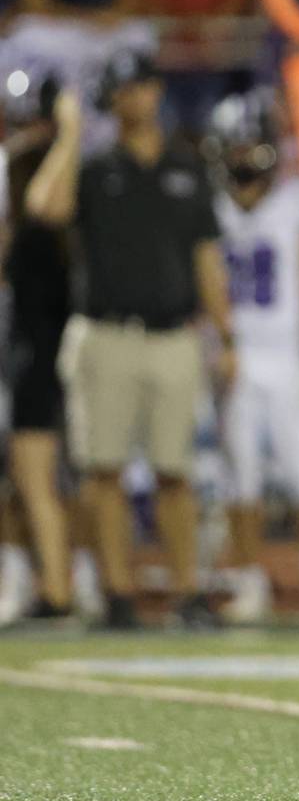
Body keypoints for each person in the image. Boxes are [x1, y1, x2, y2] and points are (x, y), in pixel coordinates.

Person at [25, 49, 233, 629]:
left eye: (140, 87)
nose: (133, 98)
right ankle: (117, 593)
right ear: (110, 101)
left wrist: (227, 335)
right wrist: (69, 133)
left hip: (173, 335)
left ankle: (187, 591)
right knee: (103, 471)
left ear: (157, 91)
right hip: (105, 332)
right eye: (122, 90)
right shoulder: (91, 166)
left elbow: (206, 259)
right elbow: (46, 207)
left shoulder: (187, 168)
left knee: (176, 470)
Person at [208, 91, 299, 626]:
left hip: (286, 357)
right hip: (236, 356)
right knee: (240, 477)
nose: (242, 156)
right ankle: (248, 582)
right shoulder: (210, 207)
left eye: (250, 145)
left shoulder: (297, 203)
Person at [0, 71, 74, 621]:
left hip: (42, 349)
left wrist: (70, 134)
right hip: (23, 345)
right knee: (22, 480)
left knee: (35, 478)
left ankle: (58, 589)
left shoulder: (58, 190)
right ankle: (38, 582)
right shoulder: (17, 187)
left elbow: (47, 206)